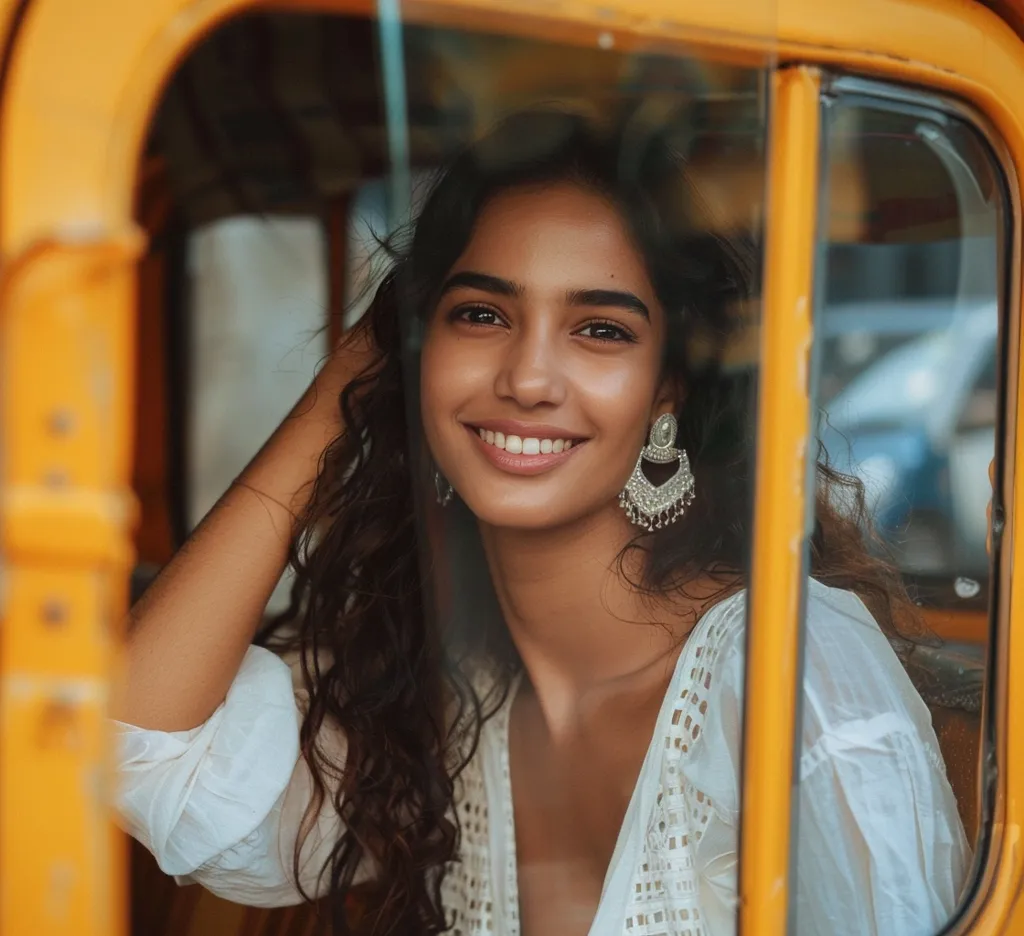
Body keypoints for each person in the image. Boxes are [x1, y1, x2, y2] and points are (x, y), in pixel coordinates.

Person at [114, 109, 970, 936]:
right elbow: (141, 749)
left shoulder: (793, 673)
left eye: (600, 329)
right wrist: (349, 386)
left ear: (668, 389)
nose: (527, 377)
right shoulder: (454, 699)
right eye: (480, 315)